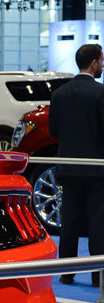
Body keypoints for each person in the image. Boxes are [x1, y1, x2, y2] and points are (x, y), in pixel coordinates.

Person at [49, 42, 104, 286]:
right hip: (96, 169)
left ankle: (67, 273)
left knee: (69, 222)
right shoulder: (100, 93)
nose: (103, 64)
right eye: (102, 60)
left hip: (68, 167)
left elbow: (53, 130)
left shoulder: (59, 94)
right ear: (94, 62)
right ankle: (97, 277)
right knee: (98, 223)